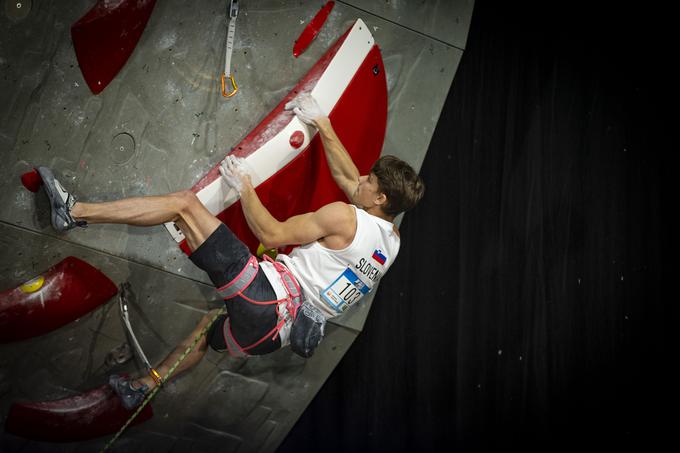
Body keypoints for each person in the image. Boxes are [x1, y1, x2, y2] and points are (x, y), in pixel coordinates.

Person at [37, 93, 425, 409]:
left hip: (264, 298)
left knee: (185, 204)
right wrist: (322, 123)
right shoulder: (391, 242)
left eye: (369, 179)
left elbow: (271, 234)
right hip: (271, 338)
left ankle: (73, 212)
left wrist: (244, 186)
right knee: (208, 327)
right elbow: (346, 178)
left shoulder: (345, 216)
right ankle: (144, 385)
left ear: (380, 197)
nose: (360, 177)